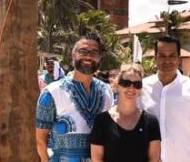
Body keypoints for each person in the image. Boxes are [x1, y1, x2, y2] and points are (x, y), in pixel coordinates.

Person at [35, 33, 115, 162]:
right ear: (73, 54)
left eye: (94, 52)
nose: (88, 56)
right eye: (83, 51)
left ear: (100, 58)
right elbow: (40, 138)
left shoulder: (107, 91)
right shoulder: (52, 92)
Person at [139, 35, 190, 162]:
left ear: (179, 59)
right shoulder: (142, 87)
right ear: (155, 58)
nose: (167, 61)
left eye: (172, 56)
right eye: (162, 55)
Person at [90, 63, 160, 162]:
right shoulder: (101, 121)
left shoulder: (151, 122)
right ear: (117, 85)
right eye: (126, 83)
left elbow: (154, 159)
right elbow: (97, 159)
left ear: (140, 89)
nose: (131, 88)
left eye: (137, 84)